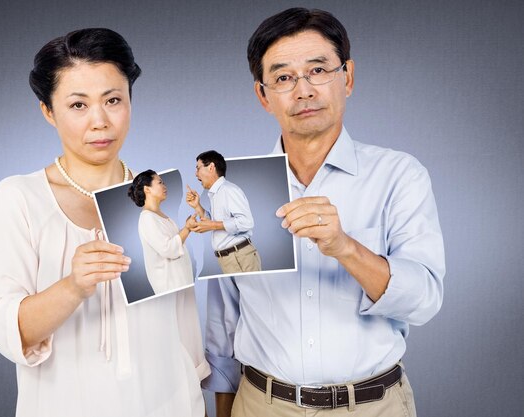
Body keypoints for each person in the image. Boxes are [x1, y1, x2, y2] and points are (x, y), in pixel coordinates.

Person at [203, 8, 445, 417]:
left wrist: (346, 247)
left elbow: (423, 302)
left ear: (347, 77)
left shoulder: (399, 174)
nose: (303, 90)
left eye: (318, 70)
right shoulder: (238, 189)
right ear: (263, 95)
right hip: (261, 405)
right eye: (283, 77)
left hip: (373, 406)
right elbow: (223, 318)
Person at [0, 28, 210, 417]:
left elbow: (185, 328)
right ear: (48, 111)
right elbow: (3, 327)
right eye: (78, 105)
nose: (100, 121)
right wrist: (72, 287)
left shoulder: (158, 197)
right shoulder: (20, 197)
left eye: (113, 100)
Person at [186, 150, 261, 274]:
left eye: (198, 168)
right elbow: (214, 221)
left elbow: (246, 222)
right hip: (229, 259)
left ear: (211, 167)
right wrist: (197, 206)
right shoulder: (216, 193)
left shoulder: (228, 190)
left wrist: (213, 225)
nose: (195, 174)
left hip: (240, 257)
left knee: (254, 294)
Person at [128, 170, 195, 294]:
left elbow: (173, 240)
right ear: (147, 189)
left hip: (181, 280)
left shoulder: (159, 215)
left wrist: (187, 227)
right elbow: (168, 249)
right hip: (170, 285)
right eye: (160, 182)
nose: (165, 186)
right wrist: (187, 228)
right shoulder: (147, 218)